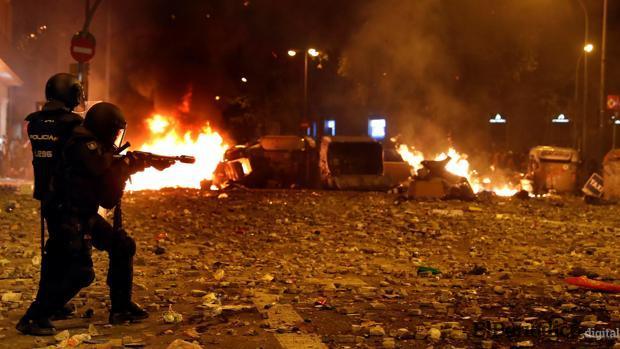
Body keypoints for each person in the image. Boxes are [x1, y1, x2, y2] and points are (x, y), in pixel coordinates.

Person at [17, 102, 164, 335]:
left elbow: (105, 179)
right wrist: (127, 165)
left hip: (82, 214)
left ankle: (121, 307)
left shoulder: (90, 146)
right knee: (80, 273)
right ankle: (34, 318)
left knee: (122, 246)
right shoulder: (84, 145)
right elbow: (107, 192)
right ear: (105, 128)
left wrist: (134, 164)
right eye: (115, 131)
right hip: (67, 216)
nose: (117, 136)